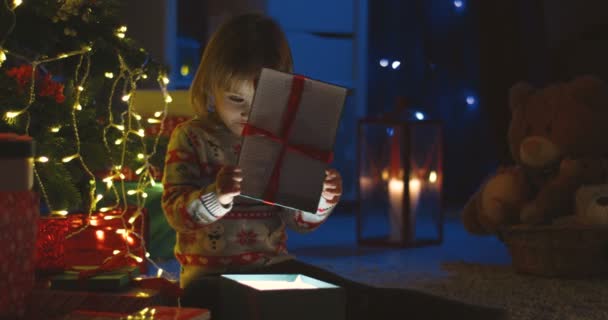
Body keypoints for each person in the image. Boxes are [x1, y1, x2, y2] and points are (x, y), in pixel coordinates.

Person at [161, 12, 506, 320]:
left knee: (358, 299)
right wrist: (217, 198)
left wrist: (321, 199)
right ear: (210, 88)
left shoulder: (281, 138)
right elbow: (176, 213)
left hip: (274, 270)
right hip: (209, 279)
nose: (248, 113)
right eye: (236, 99)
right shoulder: (190, 137)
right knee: (208, 306)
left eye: (261, 101)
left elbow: (298, 223)